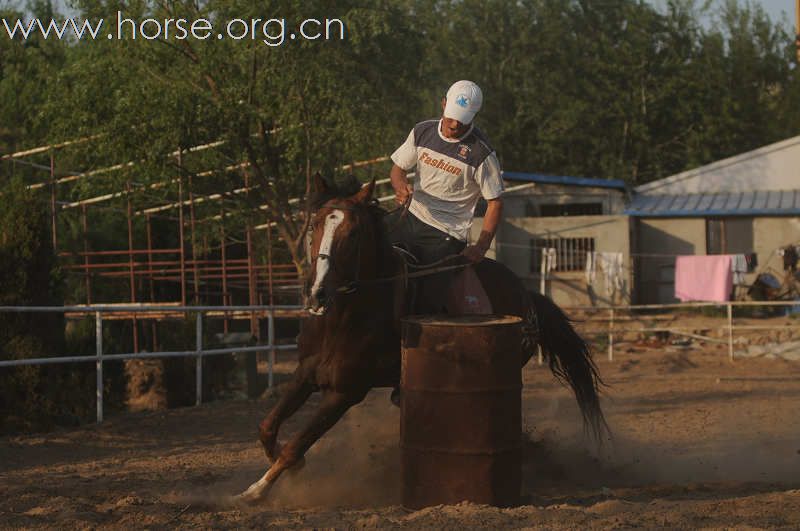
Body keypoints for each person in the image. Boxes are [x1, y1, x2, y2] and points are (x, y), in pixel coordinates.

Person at [385, 80, 504, 268]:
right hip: (409, 216)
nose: (455, 124)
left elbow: (495, 203)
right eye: (451, 116)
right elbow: (398, 168)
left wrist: (481, 247)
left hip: (447, 232)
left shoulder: (482, 153)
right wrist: (400, 187)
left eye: (463, 120)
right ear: (443, 103)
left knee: (428, 285)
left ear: (474, 116)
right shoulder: (422, 131)